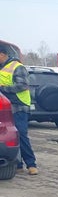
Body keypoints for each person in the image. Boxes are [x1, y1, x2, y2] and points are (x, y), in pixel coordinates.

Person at [0, 43, 37, 175]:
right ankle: (18, 164)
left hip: (19, 106)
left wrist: (3, 89)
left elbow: (22, 86)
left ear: (3, 55)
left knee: (21, 135)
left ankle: (31, 164)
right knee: (11, 137)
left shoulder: (17, 67)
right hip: (7, 107)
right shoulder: (2, 68)